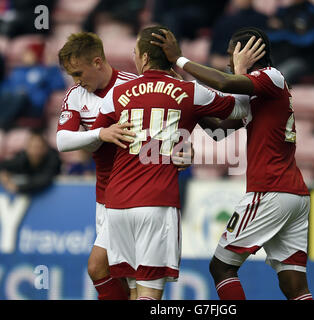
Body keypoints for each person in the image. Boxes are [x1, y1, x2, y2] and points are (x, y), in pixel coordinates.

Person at [152, 27, 313, 300]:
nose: (227, 61)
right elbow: (219, 130)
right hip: (292, 194)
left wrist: (180, 59)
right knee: (294, 286)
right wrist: (190, 96)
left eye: (231, 54)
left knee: (221, 266)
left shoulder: (271, 77)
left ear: (248, 52)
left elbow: (225, 83)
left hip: (270, 191)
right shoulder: (258, 93)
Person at [91, 25, 250, 300]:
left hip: (116, 204)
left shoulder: (117, 95)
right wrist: (241, 72)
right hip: (156, 202)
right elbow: (239, 111)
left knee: (132, 291)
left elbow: (93, 142)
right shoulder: (190, 91)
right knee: (149, 295)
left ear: (143, 57)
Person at [56, 32, 193, 300]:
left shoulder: (133, 86)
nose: (77, 81)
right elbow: (62, 141)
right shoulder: (75, 96)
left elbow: (173, 122)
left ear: (97, 62)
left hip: (135, 194)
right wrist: (100, 133)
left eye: (79, 73)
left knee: (98, 266)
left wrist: (184, 149)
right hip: (104, 198)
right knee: (127, 280)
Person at [0, 41, 65, 129]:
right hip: (12, 102)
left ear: (37, 55)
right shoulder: (17, 71)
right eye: (25, 53)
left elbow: (59, 85)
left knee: (20, 96)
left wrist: (53, 68)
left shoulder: (45, 71)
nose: (24, 56)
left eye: (28, 53)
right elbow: (5, 85)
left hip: (33, 106)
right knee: (5, 94)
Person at [266, 0, 314, 84]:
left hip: (301, 60)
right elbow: (268, 36)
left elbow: (308, 40)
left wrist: (285, 32)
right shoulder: (283, 11)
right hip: (279, 56)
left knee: (279, 75)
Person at [0, 129, 61, 194]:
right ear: (27, 148)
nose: (35, 151)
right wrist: (1, 174)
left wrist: (19, 187)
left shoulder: (53, 159)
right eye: (32, 147)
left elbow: (45, 179)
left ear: (45, 148)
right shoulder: (22, 158)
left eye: (38, 147)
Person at [209, 0, 268, 71]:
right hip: (226, 64)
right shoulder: (223, 22)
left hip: (254, 64)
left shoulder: (262, 19)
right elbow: (214, 56)